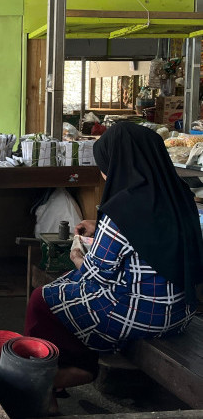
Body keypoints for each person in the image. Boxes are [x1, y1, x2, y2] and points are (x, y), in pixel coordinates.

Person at [24, 122, 203, 413]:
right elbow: (153, 243)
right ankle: (56, 381)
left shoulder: (123, 208)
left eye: (104, 166)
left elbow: (96, 274)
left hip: (142, 316)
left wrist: (79, 257)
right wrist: (101, 230)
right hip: (181, 312)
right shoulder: (179, 195)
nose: (105, 174)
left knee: (44, 298)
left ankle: (63, 374)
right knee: (71, 290)